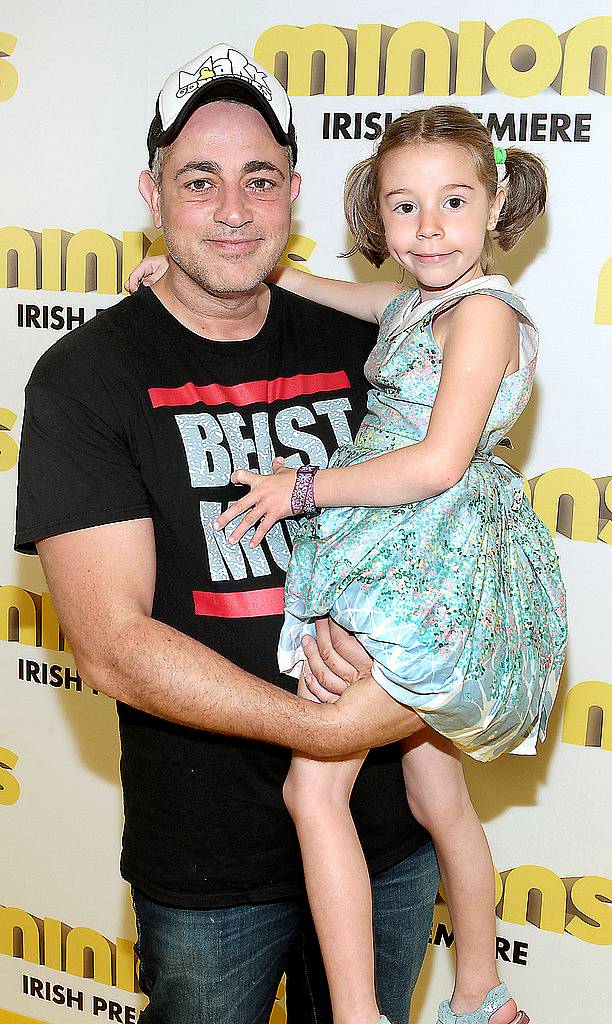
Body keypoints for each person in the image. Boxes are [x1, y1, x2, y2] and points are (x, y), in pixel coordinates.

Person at [14, 45, 439, 1024]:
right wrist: (321, 726)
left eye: (259, 180)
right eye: (199, 181)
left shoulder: (369, 348)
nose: (234, 209)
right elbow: (114, 646)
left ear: (295, 192)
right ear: (152, 196)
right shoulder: (87, 378)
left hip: (389, 832)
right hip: (210, 861)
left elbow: (455, 501)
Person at [175, 106, 567, 1024]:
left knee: (314, 789)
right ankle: (482, 992)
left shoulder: (482, 315)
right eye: (404, 207)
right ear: (378, 218)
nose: (429, 229)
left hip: (428, 569)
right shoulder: (424, 305)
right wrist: (234, 270)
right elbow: (328, 290)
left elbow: (436, 461)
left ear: (497, 200)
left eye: (454, 201)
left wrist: (302, 487)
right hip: (401, 551)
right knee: (437, 791)